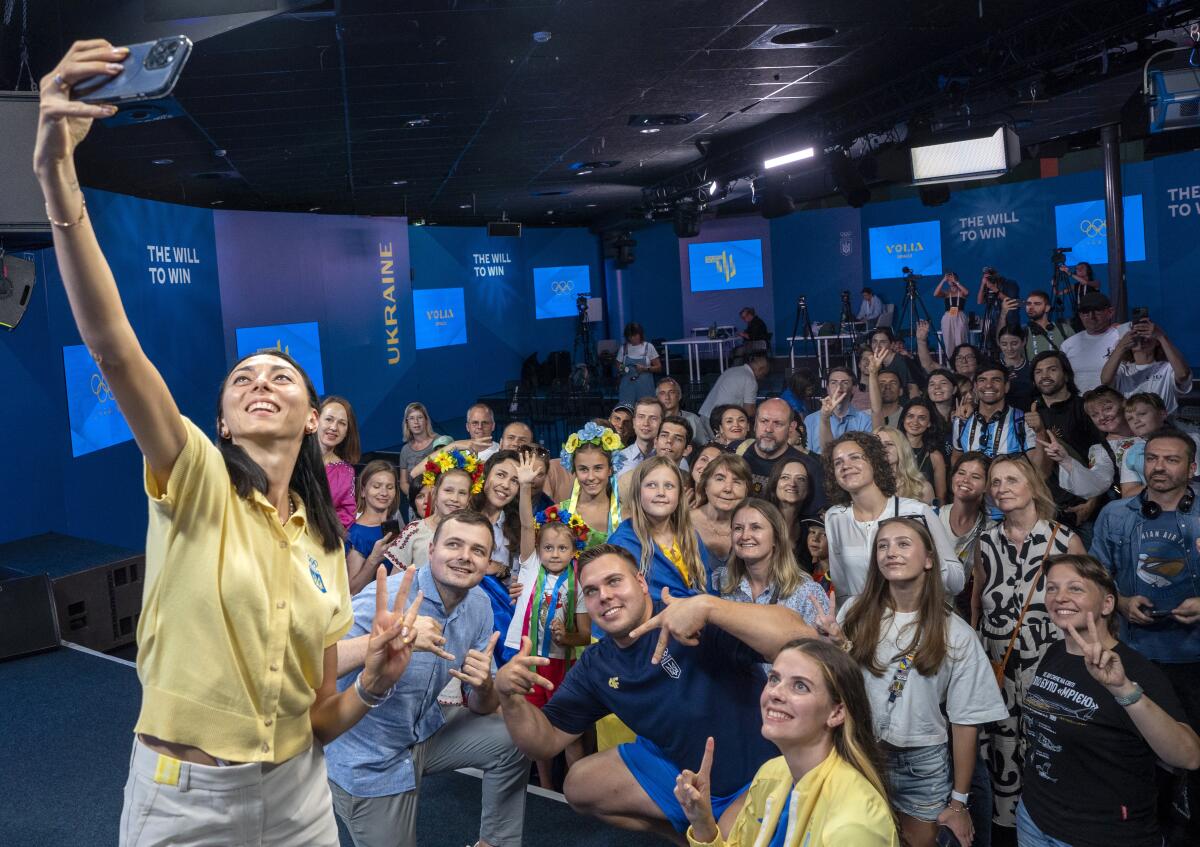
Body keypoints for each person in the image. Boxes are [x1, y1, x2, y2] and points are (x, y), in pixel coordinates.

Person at [35, 43, 415, 844]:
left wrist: (376, 681)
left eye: (281, 375)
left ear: (314, 416)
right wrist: (57, 178)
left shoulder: (323, 539)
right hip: (188, 801)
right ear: (222, 422)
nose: (260, 383)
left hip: (300, 798)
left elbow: (316, 720)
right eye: (242, 379)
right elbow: (113, 347)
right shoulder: (196, 477)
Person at [493, 544, 813, 840]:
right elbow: (543, 742)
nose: (604, 595)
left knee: (727, 841)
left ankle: (716, 827)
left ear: (642, 583)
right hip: (677, 768)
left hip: (754, 776)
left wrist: (708, 606)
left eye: (614, 581)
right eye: (591, 591)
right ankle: (682, 838)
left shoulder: (692, 615)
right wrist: (510, 699)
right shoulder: (597, 665)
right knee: (579, 785)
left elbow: (801, 639)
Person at [326, 511, 529, 847]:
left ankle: (494, 843)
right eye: (454, 544)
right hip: (369, 756)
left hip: (423, 730)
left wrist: (485, 686)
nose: (465, 556)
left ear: (488, 562)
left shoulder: (479, 604)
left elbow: (482, 707)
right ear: (431, 550)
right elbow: (316, 666)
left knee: (514, 738)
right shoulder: (389, 598)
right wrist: (381, 642)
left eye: (478, 551)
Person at [820, 518, 1007, 847]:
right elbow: (837, 687)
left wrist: (958, 803)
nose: (891, 551)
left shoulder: (955, 633)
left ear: (929, 559)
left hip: (920, 764)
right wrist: (834, 650)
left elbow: (965, 723)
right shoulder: (854, 612)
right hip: (860, 750)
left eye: (903, 544)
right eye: (883, 545)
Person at [1017, 554, 1200, 847]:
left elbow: (1188, 755)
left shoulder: (1136, 669)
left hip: (1101, 834)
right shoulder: (1054, 653)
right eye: (1052, 588)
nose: (1059, 597)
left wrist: (1124, 690)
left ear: (1107, 604)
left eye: (1075, 588)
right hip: (1035, 819)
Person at [674, 638, 898, 846]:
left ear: (836, 713)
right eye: (774, 679)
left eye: (800, 686)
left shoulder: (855, 823)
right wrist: (702, 824)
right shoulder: (771, 773)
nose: (776, 693)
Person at [1090, 428, 1200, 842]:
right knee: (1138, 762)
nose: (1159, 467)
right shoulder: (1116, 514)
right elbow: (1097, 578)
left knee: (1192, 759)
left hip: (1194, 660)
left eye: (1171, 460)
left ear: (1191, 468)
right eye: (1152, 458)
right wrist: (1119, 602)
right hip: (1138, 656)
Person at [973, 455, 1085, 833]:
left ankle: (1048, 827)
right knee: (1001, 748)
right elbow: (977, 604)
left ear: (1033, 485)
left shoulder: (1066, 539)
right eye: (995, 481)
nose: (1001, 488)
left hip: (1050, 667)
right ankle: (1004, 830)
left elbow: (1088, 610)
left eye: (1011, 480)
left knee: (1049, 747)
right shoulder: (985, 541)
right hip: (997, 668)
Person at [508, 467, 592, 790]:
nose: (554, 554)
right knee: (535, 728)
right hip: (529, 662)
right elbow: (528, 524)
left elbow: (584, 635)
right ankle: (544, 789)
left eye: (562, 549)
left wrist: (565, 636)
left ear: (574, 552)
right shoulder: (529, 568)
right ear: (538, 550)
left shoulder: (580, 582)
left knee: (570, 734)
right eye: (548, 548)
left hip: (563, 665)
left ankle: (579, 789)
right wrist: (526, 487)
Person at [822, 432, 963, 606]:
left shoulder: (916, 512)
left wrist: (924, 560)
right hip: (864, 624)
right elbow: (842, 589)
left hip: (914, 620)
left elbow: (957, 582)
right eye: (838, 462)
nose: (846, 466)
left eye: (855, 457)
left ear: (875, 462)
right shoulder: (835, 517)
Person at [716, 498, 831, 629]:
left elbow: (825, 646)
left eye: (755, 527)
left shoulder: (807, 593)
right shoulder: (722, 580)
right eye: (738, 528)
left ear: (776, 538)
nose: (745, 535)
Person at [609, 456, 713, 598]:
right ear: (637, 492)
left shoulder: (691, 536)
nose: (661, 493)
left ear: (679, 494)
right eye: (651, 485)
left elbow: (708, 588)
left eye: (669, 486)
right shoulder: (622, 543)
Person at [384, 451, 480, 571]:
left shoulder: (472, 534)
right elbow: (394, 581)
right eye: (448, 490)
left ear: (469, 499)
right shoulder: (414, 531)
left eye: (462, 493)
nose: (454, 498)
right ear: (434, 493)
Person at [735, 398, 825, 512]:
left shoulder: (808, 467)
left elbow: (814, 519)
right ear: (755, 424)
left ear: (791, 427)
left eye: (778, 423)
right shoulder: (737, 453)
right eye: (764, 421)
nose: (768, 429)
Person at [1100, 314, 1192, 416]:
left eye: (1146, 334)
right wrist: (1121, 346)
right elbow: (1105, 380)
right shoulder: (1123, 370)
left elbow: (1183, 375)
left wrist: (1161, 337)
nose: (1141, 338)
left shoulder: (1168, 368)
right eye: (1137, 334)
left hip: (1164, 428)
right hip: (1133, 428)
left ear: (1157, 342)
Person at [950, 360, 1039, 463]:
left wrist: (1040, 432)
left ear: (1006, 386)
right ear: (975, 387)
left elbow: (1040, 470)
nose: (988, 385)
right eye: (982, 380)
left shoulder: (1022, 421)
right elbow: (956, 458)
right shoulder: (962, 420)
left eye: (996, 380)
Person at [559, 421, 626, 546]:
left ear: (610, 469)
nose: (591, 477)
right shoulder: (559, 513)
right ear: (574, 470)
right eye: (583, 469)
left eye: (598, 468)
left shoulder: (626, 516)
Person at [344, 460, 401, 594]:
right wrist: (373, 560)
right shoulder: (356, 534)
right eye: (376, 486)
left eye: (390, 487)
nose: (384, 492)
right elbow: (352, 589)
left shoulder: (395, 527)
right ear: (363, 491)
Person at [688, 453, 752, 568]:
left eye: (737, 482)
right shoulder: (682, 522)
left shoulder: (754, 528)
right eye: (720, 479)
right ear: (705, 485)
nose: (728, 489)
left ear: (746, 490)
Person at [1059, 291, 1129, 392]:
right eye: (1086, 312)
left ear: (1110, 312)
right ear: (1080, 315)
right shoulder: (1067, 345)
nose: (1092, 316)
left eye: (1097, 311)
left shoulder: (1123, 336)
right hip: (1080, 404)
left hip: (1114, 404)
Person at [805, 366, 871, 454]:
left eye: (845, 382)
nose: (838, 387)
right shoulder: (810, 420)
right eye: (833, 382)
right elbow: (807, 455)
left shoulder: (865, 420)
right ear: (827, 388)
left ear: (854, 389)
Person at [320, 395, 362, 529]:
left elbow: (346, 516)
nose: (334, 427)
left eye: (342, 423)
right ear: (315, 420)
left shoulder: (346, 471)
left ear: (347, 432)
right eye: (328, 419)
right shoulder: (293, 457)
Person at [765, 458, 816, 565]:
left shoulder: (810, 528)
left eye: (801, 479)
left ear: (808, 488)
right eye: (785, 477)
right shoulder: (760, 520)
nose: (792, 483)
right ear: (775, 483)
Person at [896, 398, 947, 502]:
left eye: (922, 418)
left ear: (929, 423)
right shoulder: (892, 449)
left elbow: (941, 497)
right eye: (910, 416)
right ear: (903, 419)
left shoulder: (935, 456)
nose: (915, 422)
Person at [698, 352, 770, 424]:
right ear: (761, 369)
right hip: (718, 420)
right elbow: (749, 411)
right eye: (764, 375)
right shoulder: (750, 380)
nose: (762, 378)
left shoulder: (731, 370)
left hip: (704, 415)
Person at [998, 290, 1073, 359]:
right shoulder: (1022, 331)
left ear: (1047, 308)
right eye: (1028, 304)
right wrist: (1003, 314)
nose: (1030, 307)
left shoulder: (1064, 329)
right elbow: (1001, 342)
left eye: (1037, 304)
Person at [875, 426, 934, 505]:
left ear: (901, 449)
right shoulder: (866, 487)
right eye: (878, 444)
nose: (883, 448)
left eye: (889, 444)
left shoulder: (922, 488)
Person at [397, 401, 440, 492]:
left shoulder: (439, 441)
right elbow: (403, 482)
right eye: (412, 418)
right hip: (414, 500)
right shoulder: (405, 450)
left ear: (426, 420)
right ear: (407, 423)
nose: (416, 422)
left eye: (420, 417)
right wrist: (415, 498)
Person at [617, 322, 663, 407]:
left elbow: (659, 367)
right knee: (626, 410)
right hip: (627, 389)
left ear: (640, 334)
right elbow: (618, 366)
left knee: (647, 409)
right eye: (630, 336)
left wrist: (645, 369)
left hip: (645, 389)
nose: (633, 338)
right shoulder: (623, 348)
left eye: (635, 335)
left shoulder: (649, 347)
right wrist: (622, 369)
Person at [618, 396, 664, 476]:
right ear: (634, 422)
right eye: (641, 417)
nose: (646, 423)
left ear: (662, 423)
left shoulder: (671, 459)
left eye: (653, 418)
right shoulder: (619, 459)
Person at [658, 376, 710, 446]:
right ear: (657, 398)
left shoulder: (692, 419)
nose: (667, 397)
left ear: (679, 396)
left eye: (671, 392)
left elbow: (704, 445)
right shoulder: (654, 420)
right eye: (662, 393)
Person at [867, 328, 918, 397]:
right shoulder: (876, 363)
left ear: (892, 345)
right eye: (874, 341)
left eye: (883, 342)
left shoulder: (901, 361)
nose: (877, 345)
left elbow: (912, 388)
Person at [997, 325, 1034, 411]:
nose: (1009, 348)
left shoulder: (1033, 367)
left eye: (1014, 343)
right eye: (1004, 344)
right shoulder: (993, 368)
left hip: (1028, 415)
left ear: (1023, 341)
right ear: (999, 344)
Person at [934, 271, 971, 352]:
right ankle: (950, 363)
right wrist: (943, 280)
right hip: (948, 316)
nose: (950, 280)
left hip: (959, 315)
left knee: (960, 341)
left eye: (952, 278)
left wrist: (956, 281)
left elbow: (967, 292)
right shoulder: (946, 292)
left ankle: (961, 360)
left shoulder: (961, 292)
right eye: (949, 278)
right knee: (948, 341)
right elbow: (935, 294)